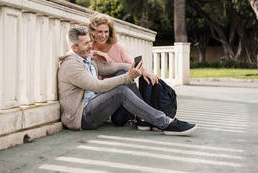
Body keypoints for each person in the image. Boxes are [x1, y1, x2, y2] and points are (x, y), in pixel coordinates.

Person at [57, 26, 197, 136]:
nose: (90, 46)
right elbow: (97, 86)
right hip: (81, 117)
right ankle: (165, 122)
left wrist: (140, 71)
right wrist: (128, 77)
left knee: (122, 72)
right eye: (86, 43)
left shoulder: (86, 60)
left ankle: (147, 119)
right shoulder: (71, 65)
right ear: (74, 48)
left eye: (89, 42)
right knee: (121, 90)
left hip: (92, 106)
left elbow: (113, 67)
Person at [88, 14, 157, 128]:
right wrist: (100, 53)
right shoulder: (89, 47)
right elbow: (74, 52)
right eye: (100, 32)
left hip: (122, 90)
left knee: (121, 73)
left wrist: (146, 72)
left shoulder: (118, 47)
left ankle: (143, 116)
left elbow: (131, 65)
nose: (103, 35)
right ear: (92, 32)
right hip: (104, 96)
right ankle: (141, 115)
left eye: (106, 31)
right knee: (118, 121)